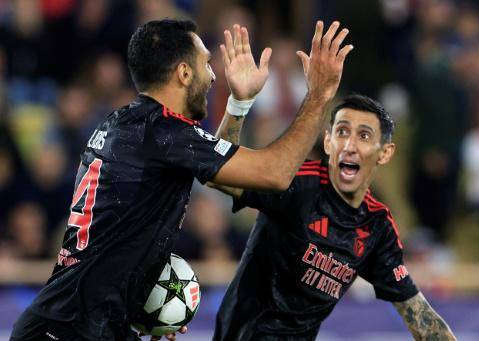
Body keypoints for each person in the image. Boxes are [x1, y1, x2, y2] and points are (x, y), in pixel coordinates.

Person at [10, 19, 353, 341]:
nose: (213, 77)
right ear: (184, 72)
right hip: (72, 330)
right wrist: (319, 95)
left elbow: (226, 183)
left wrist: (239, 104)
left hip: (74, 324)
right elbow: (275, 174)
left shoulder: (128, 124)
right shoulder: (164, 133)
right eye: (206, 64)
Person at [211, 94, 457, 340]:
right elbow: (221, 173)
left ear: (384, 153)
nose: (349, 145)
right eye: (342, 132)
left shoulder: (377, 227)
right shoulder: (295, 182)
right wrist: (238, 103)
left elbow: (421, 318)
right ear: (328, 142)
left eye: (363, 136)